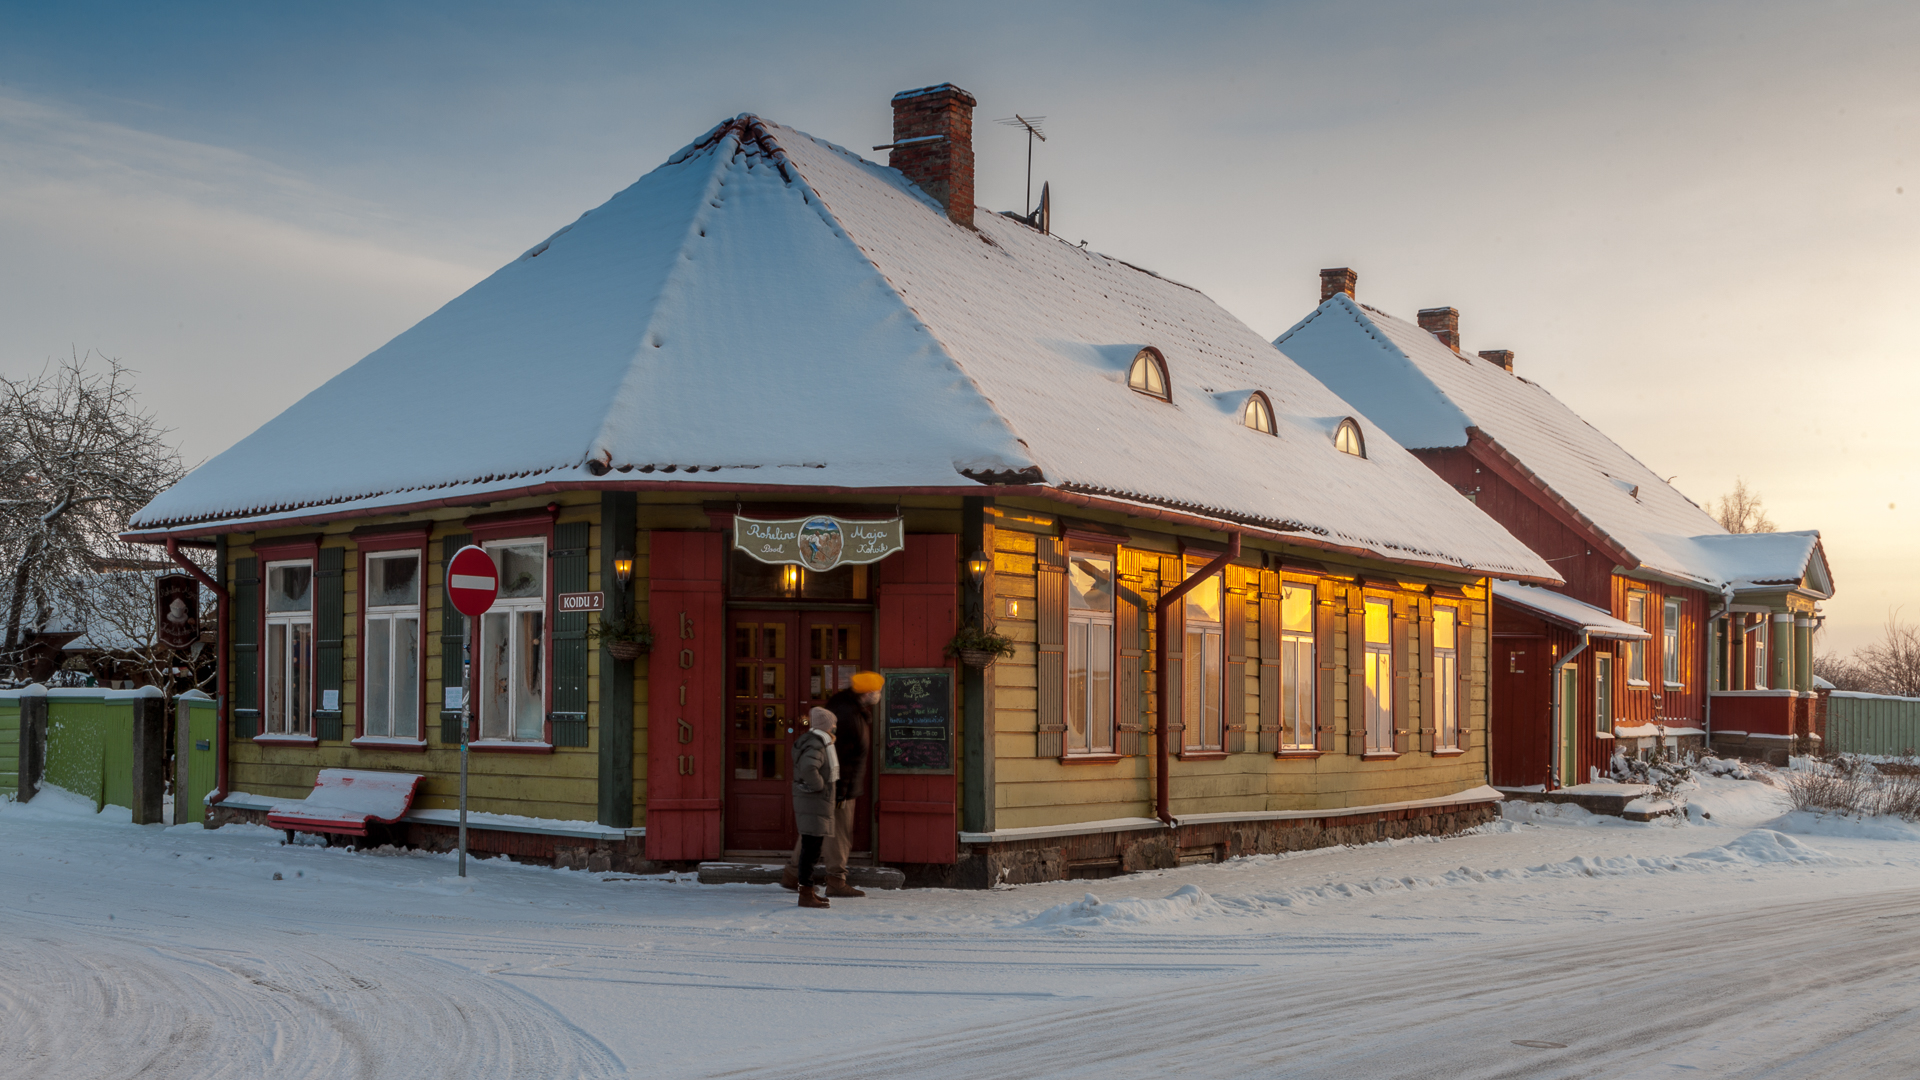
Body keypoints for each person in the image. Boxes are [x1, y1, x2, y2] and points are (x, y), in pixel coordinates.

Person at [783, 671, 882, 897]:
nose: (878, 695)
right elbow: (842, 758)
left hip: (837, 784)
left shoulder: (848, 707)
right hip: (838, 786)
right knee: (838, 833)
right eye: (877, 691)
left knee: (816, 828)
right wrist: (840, 792)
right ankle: (836, 880)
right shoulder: (848, 713)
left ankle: (792, 874)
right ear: (868, 692)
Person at [791, 707, 839, 909]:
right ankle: (805, 893)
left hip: (815, 803)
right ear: (826, 726)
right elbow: (809, 768)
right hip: (814, 802)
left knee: (812, 848)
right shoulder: (817, 744)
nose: (835, 727)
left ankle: (808, 891)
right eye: (833, 724)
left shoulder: (818, 742)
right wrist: (820, 786)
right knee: (811, 850)